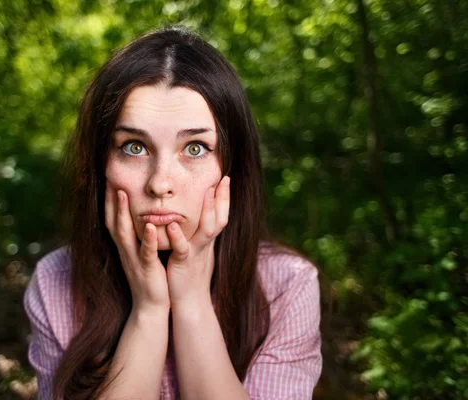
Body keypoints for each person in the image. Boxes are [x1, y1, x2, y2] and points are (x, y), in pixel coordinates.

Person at [24, 26, 322, 400]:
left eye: (195, 148)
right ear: (100, 164)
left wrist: (192, 299)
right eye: (134, 147)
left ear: (231, 168)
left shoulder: (287, 287)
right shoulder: (55, 284)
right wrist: (148, 311)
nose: (160, 183)